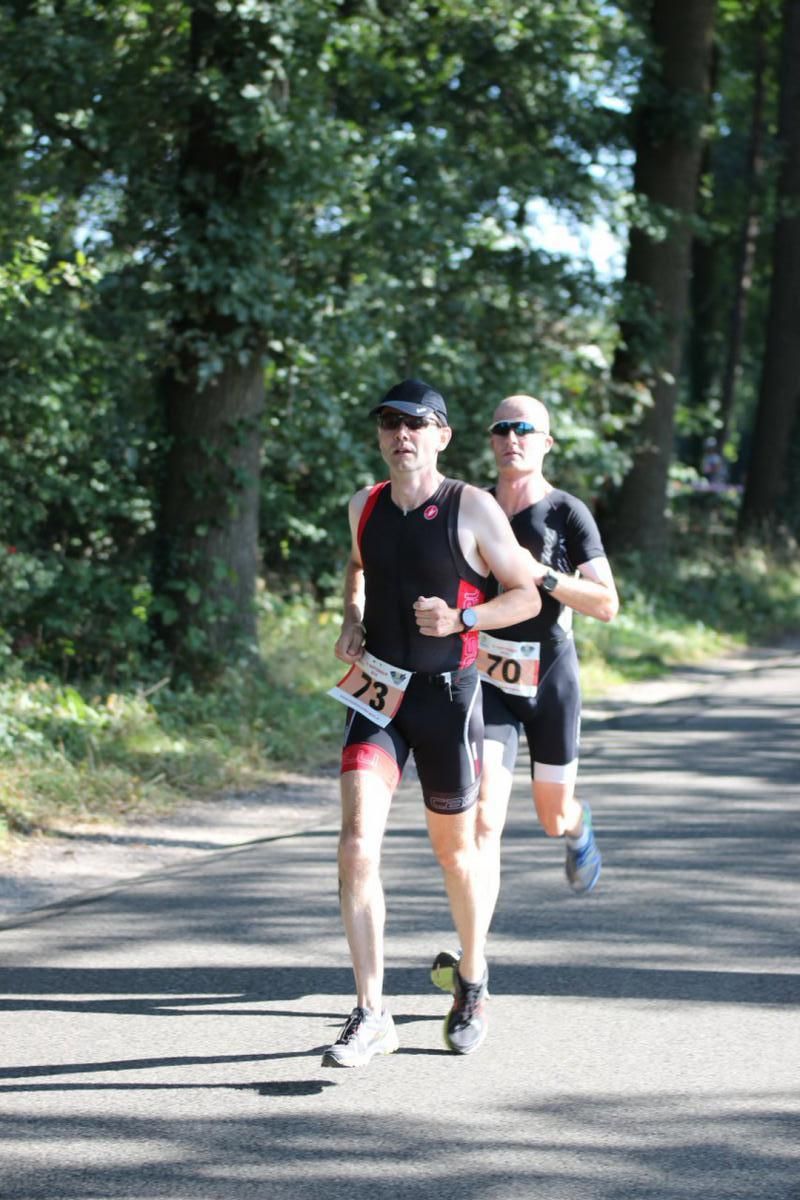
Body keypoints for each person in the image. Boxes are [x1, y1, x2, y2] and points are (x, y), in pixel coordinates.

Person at [322, 378, 541, 1068]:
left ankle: (472, 980)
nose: (401, 435)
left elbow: (526, 594)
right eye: (390, 423)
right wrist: (353, 616)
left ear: (442, 435)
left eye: (416, 424)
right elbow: (358, 568)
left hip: (449, 698)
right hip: (380, 696)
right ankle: (371, 1012)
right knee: (357, 846)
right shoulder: (364, 505)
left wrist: (463, 619)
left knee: (456, 854)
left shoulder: (472, 508)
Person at [431, 392, 619, 995]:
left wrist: (543, 575)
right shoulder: (471, 506)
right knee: (484, 820)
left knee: (549, 815)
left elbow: (608, 604)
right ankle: (473, 956)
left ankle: (577, 824)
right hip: (488, 682)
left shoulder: (568, 513)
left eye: (525, 430)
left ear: (546, 443)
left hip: (551, 682)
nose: (512, 439)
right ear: (489, 440)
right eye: (502, 429)